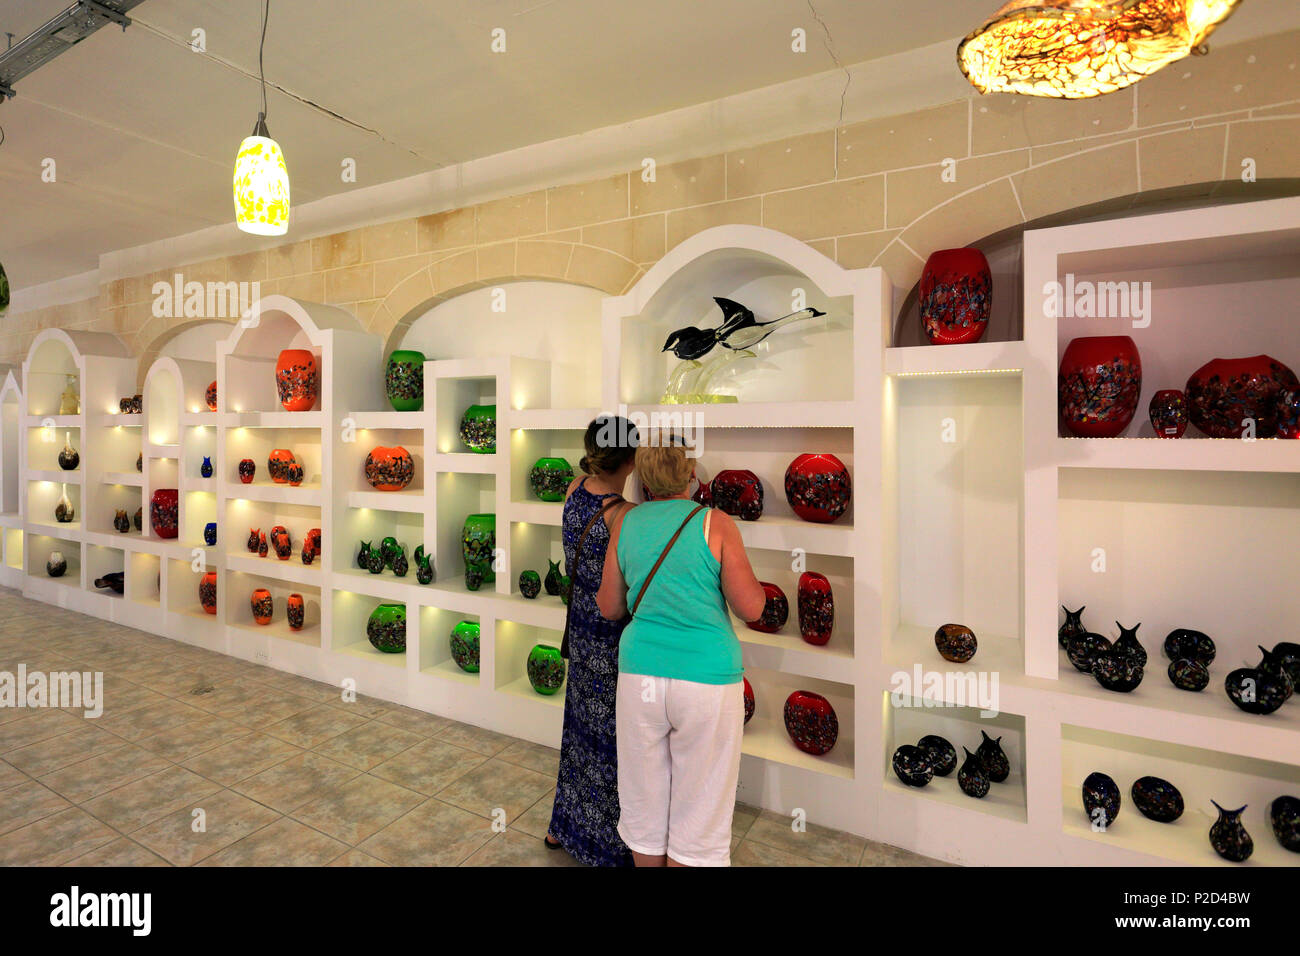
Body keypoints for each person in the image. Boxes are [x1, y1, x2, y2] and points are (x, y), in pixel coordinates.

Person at [597, 439, 766, 867]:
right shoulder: (716, 524)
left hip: (641, 679)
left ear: (644, 479)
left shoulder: (626, 523)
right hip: (706, 681)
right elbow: (752, 608)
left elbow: (609, 606)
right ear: (690, 476)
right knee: (702, 806)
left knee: (643, 800)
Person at [545, 415, 640, 866]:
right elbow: (616, 600)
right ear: (632, 459)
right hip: (608, 639)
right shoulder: (622, 514)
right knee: (609, 741)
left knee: (577, 730)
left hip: (577, 630)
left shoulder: (572, 489)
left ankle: (562, 826)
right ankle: (602, 844)